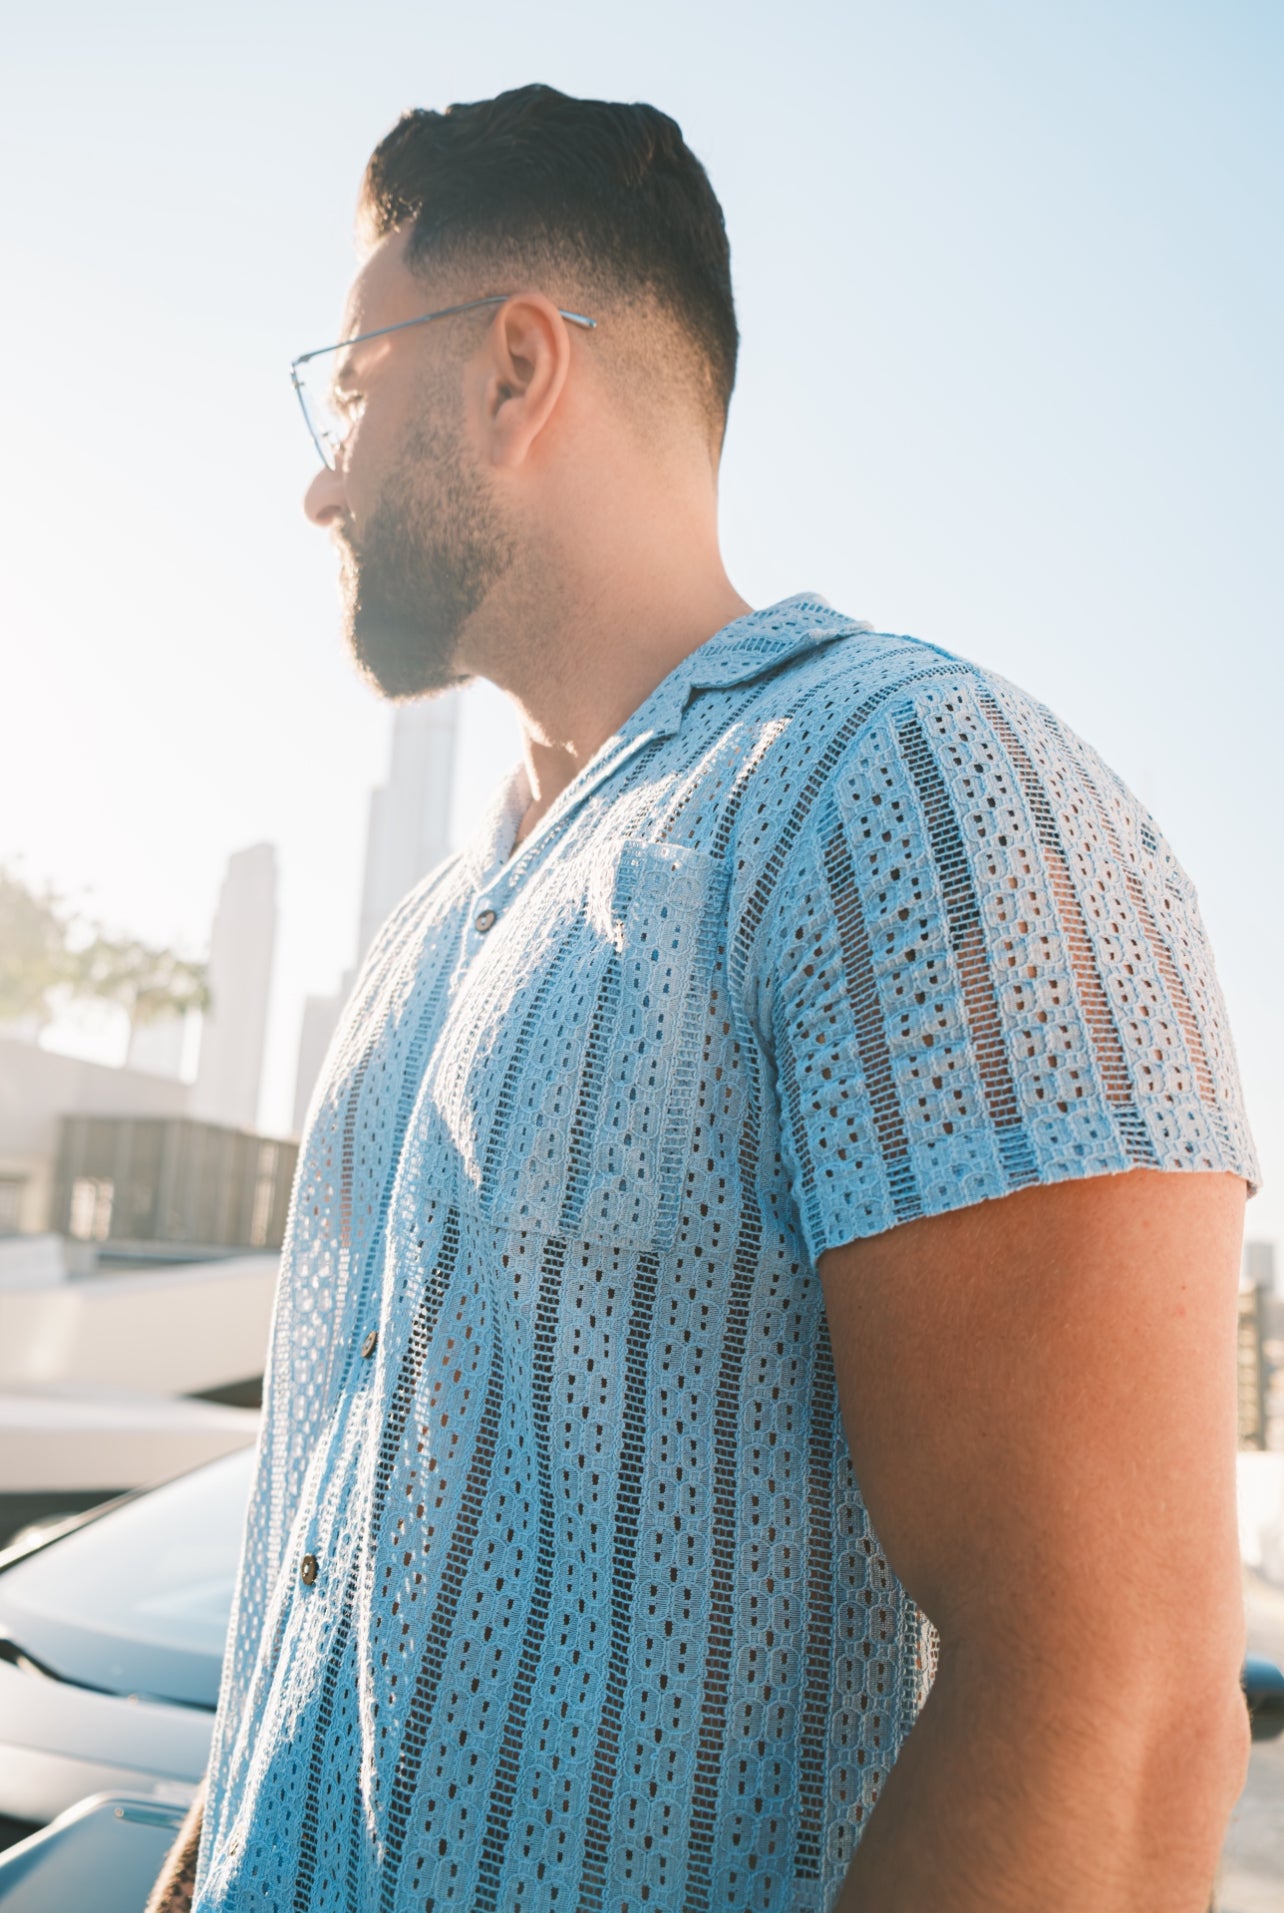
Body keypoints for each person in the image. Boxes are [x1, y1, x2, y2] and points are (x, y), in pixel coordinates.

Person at [148, 83, 1259, 1913]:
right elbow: (308, 1616)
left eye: (341, 390)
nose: (318, 476)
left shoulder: (914, 788)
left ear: (517, 371)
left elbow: (1116, 1722)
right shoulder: (431, 939)